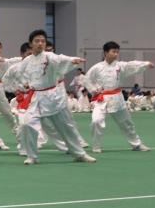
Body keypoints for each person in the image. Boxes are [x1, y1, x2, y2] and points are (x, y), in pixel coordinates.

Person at [5, 30, 95, 165]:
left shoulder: (49, 56)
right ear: (31, 44)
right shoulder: (26, 61)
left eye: (43, 41)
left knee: (66, 126)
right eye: (37, 41)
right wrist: (22, 85)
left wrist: (72, 60)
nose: (40, 44)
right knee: (27, 124)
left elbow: (61, 59)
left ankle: (79, 154)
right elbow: (19, 74)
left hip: (53, 97)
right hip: (35, 97)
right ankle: (32, 156)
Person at [84, 41, 152, 154]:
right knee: (96, 121)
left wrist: (145, 64)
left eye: (117, 52)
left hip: (117, 98)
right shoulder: (97, 67)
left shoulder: (120, 66)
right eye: (113, 51)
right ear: (106, 52)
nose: (116, 54)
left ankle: (137, 144)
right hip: (101, 98)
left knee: (127, 123)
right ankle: (96, 146)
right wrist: (92, 89)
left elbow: (132, 65)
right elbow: (87, 79)